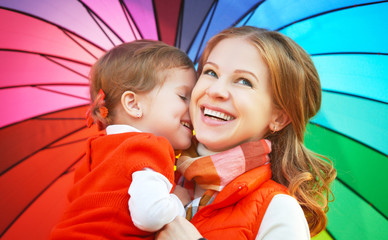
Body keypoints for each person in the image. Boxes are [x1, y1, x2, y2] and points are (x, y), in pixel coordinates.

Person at [156, 26, 336, 240]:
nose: (215, 90)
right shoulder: (156, 177)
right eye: (211, 72)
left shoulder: (276, 210)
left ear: (279, 117)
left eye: (244, 81)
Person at [50, 40, 196, 239]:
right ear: (134, 104)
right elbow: (150, 215)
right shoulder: (148, 146)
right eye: (183, 96)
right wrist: (178, 201)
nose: (194, 107)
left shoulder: (98, 148)